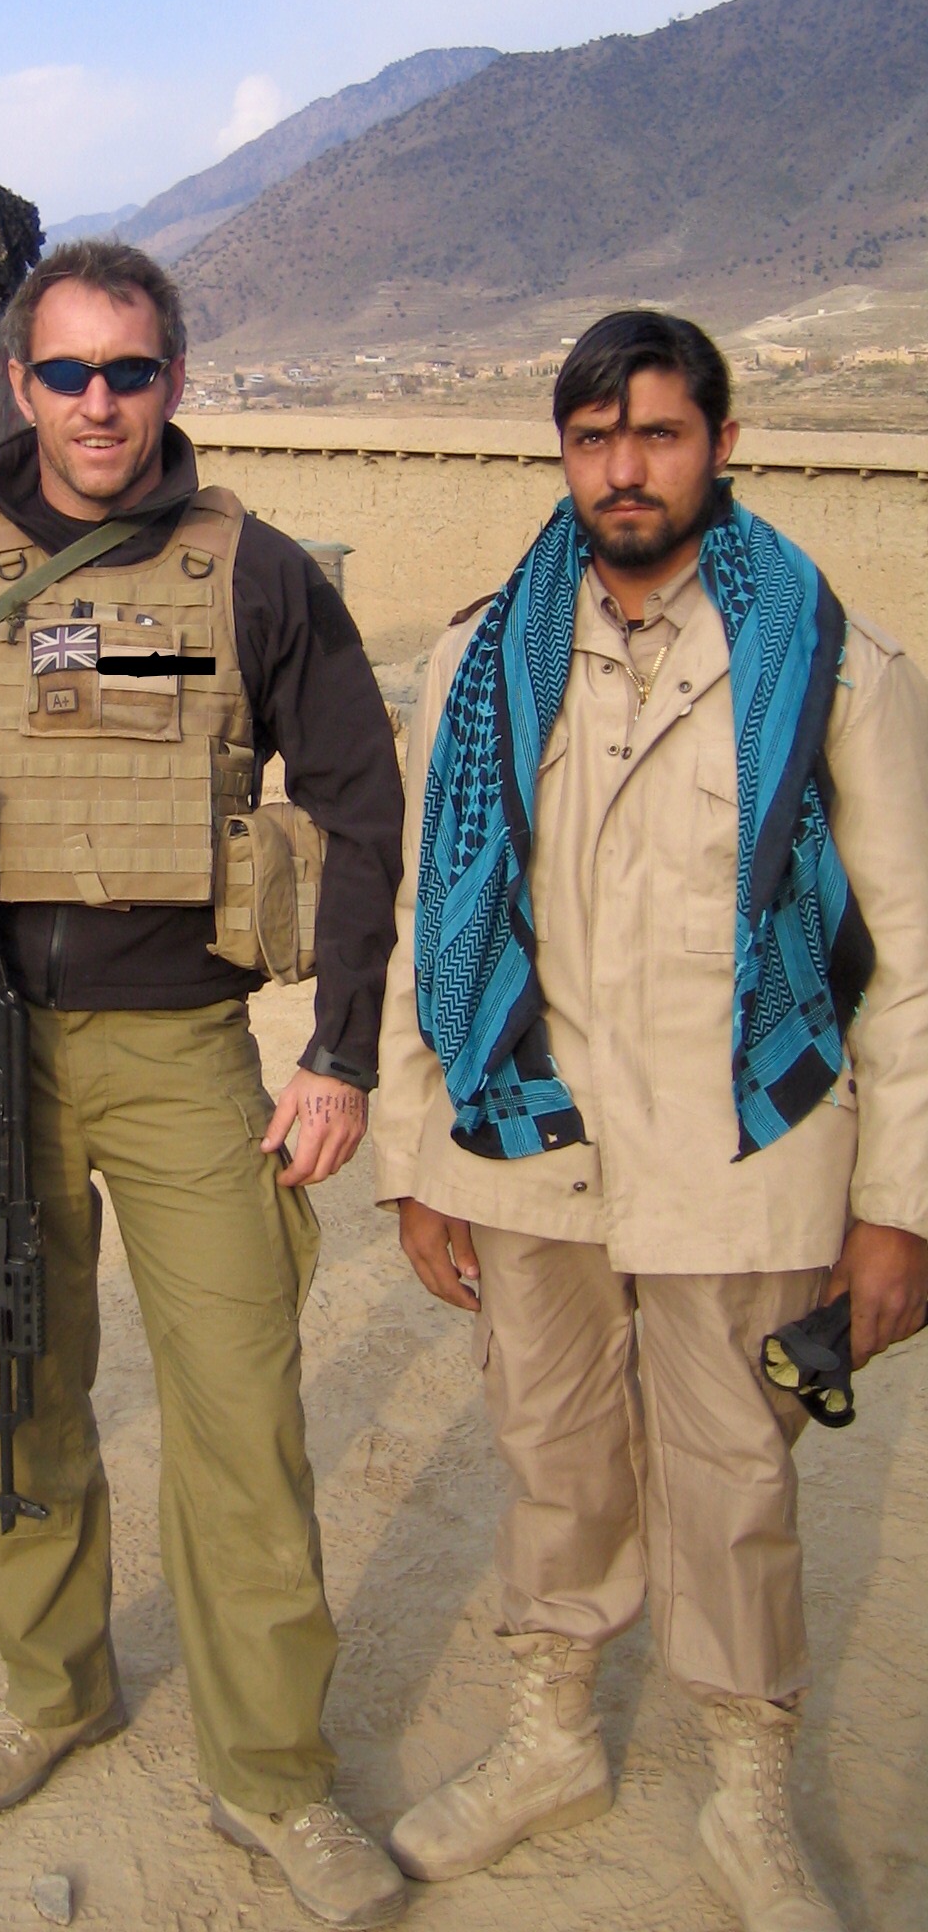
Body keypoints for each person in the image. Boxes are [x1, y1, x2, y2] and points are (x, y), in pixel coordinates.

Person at [0, 240, 409, 1928]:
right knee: (16, 1391)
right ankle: (54, 1691)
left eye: (128, 370)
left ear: (173, 380)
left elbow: (359, 803)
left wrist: (338, 1046)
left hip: (184, 1055)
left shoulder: (252, 576)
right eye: (65, 372)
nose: (97, 402)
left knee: (239, 1422)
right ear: (16, 387)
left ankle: (273, 1776)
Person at [372, 310, 928, 1931]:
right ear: (560, 452)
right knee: (549, 1455)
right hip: (527, 1147)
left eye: (657, 433)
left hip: (740, 1169)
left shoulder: (826, 660)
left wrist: (893, 1206)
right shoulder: (475, 660)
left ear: (720, 443)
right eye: (592, 436)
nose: (622, 466)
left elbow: (904, 960)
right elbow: (430, 925)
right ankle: (551, 1738)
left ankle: (748, 1797)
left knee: (731, 1478)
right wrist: (422, 1163)